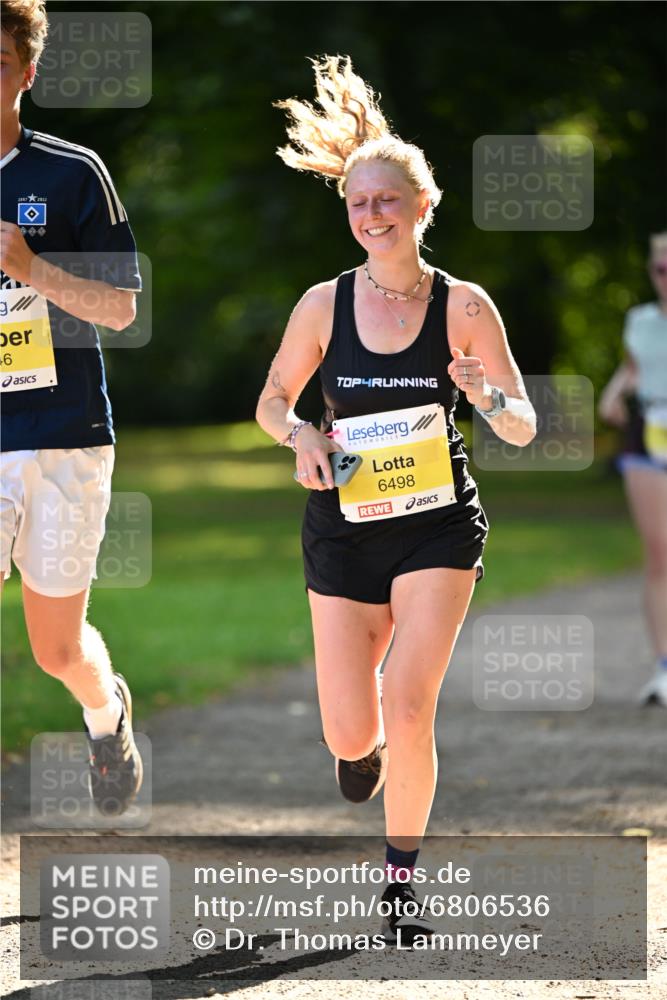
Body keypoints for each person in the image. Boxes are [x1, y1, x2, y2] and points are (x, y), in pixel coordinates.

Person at [256, 55, 536, 944]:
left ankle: (401, 881)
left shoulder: (464, 306)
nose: (371, 216)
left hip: (437, 531)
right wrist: (300, 437)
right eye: (357, 203)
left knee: (409, 704)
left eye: (386, 201)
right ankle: (359, 750)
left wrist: (482, 394)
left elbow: (524, 424)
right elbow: (271, 402)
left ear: (422, 206)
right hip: (341, 531)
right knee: (351, 729)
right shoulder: (319, 304)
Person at [0, 0, 143, 814]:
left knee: (57, 651)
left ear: (25, 71)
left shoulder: (70, 172)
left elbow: (122, 308)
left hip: (63, 434)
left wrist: (30, 266)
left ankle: (105, 712)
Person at [599, 232, 667, 708]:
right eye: (661, 269)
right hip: (650, 434)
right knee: (660, 556)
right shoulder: (638, 320)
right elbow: (633, 370)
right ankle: (664, 670)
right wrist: (612, 394)